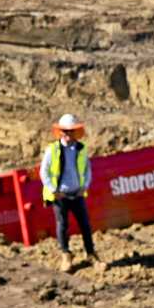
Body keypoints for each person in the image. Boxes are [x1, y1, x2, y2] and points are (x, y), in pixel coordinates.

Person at [40, 113, 99, 272]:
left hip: (77, 194)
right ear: (60, 132)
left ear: (75, 132)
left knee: (85, 225)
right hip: (61, 196)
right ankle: (66, 255)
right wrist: (54, 190)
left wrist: (84, 186)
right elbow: (43, 172)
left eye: (70, 131)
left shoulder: (80, 149)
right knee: (62, 225)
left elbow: (87, 170)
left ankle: (91, 253)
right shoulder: (52, 150)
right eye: (65, 131)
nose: (67, 134)